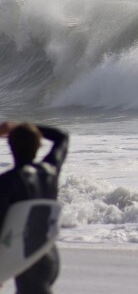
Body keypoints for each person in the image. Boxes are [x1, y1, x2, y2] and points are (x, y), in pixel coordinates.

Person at [0, 122, 69, 294]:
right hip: (49, 255)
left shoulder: (7, 182)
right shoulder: (50, 171)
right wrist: (19, 125)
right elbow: (62, 136)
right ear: (39, 145)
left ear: (10, 146)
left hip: (25, 257)